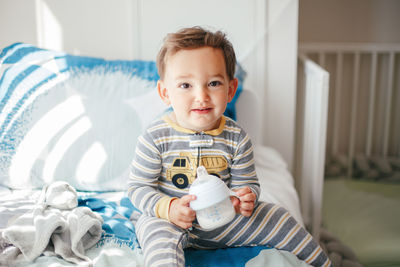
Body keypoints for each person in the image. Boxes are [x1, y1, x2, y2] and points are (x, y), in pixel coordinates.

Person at [128, 26, 331, 267]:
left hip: (222, 219)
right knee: (155, 233)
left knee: (277, 215)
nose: (201, 95)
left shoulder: (236, 137)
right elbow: (138, 187)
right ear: (165, 92)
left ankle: (323, 263)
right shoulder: (155, 136)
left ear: (230, 90)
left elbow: (247, 183)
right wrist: (168, 208)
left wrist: (245, 198)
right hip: (171, 221)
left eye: (213, 83)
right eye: (185, 85)